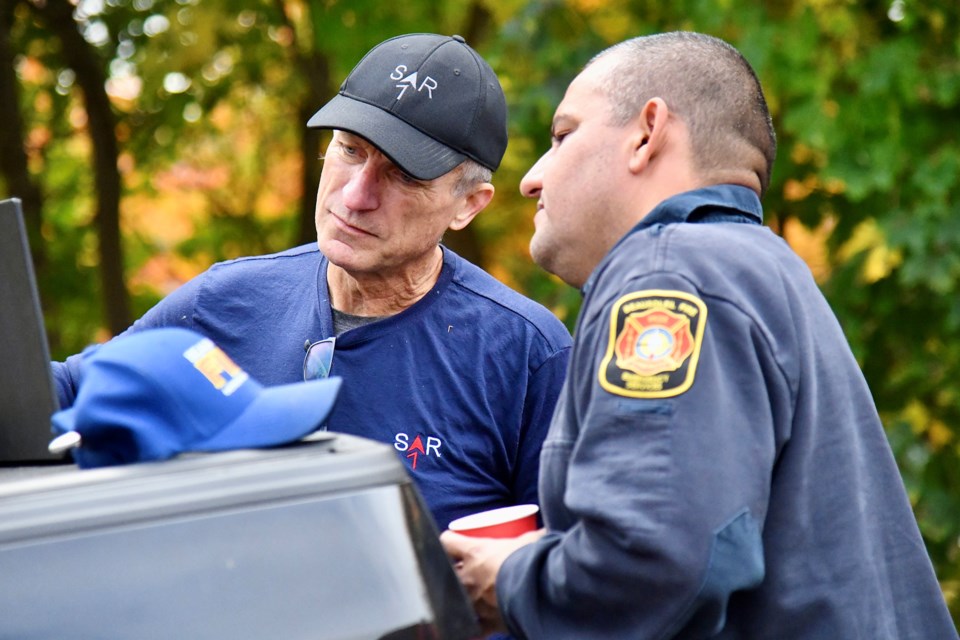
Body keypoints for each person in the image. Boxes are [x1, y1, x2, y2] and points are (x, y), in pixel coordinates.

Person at [441, 31, 957, 639]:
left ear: (646, 132)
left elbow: (650, 561)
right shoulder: (757, 270)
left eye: (562, 136)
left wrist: (509, 581)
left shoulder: (666, 277)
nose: (531, 179)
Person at [51, 33, 572, 532]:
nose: (355, 195)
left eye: (403, 176)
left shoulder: (528, 356)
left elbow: (563, 572)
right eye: (349, 150)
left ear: (469, 204)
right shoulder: (223, 302)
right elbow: (64, 393)